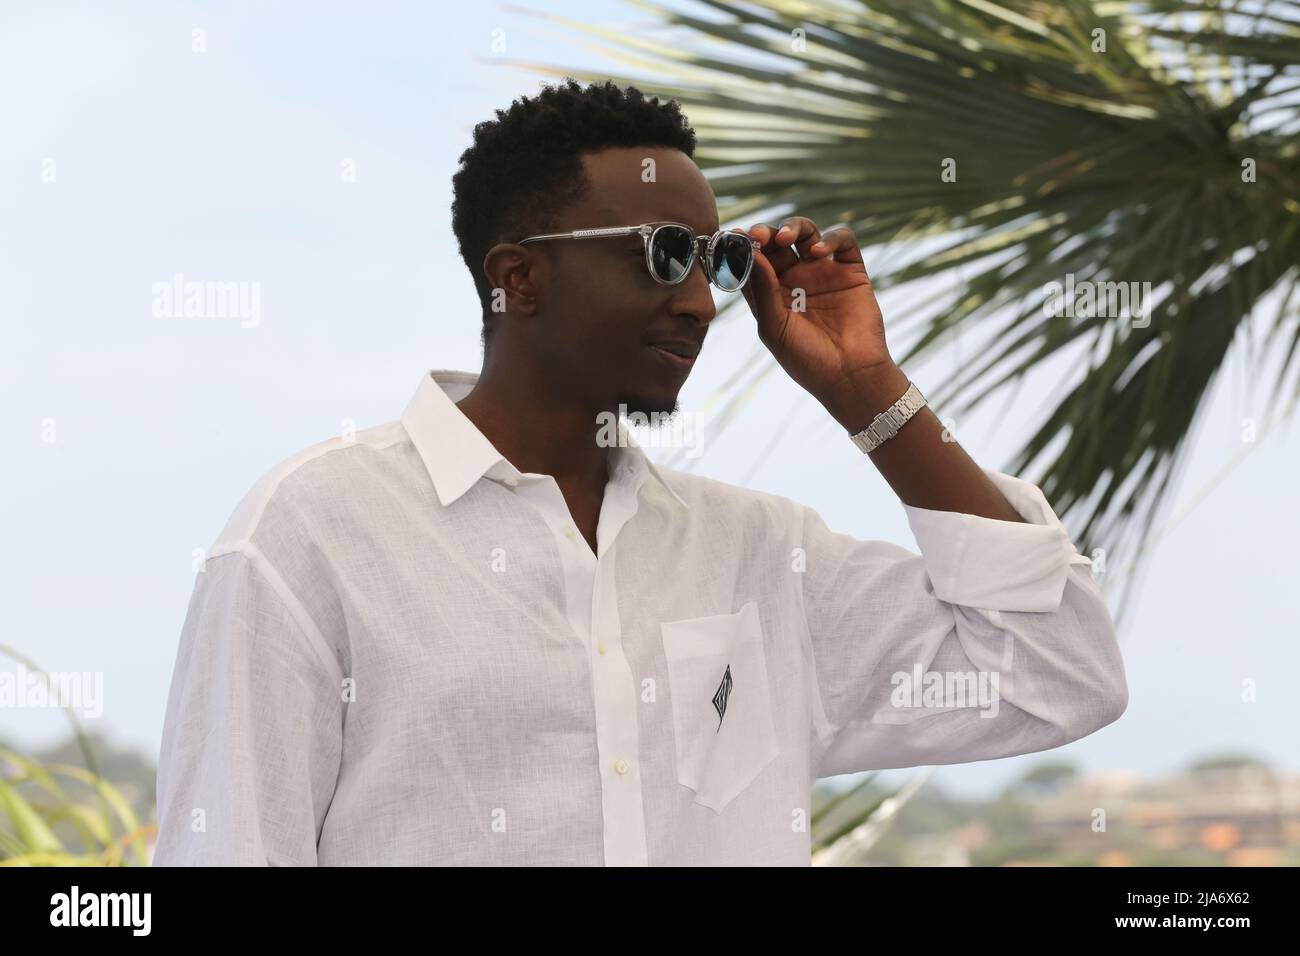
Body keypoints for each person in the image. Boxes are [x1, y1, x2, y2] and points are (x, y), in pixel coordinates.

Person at [154, 79, 1127, 866]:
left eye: (715, 259)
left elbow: (1057, 673)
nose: (701, 302)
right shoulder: (316, 529)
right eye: (664, 257)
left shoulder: (764, 553)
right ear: (519, 278)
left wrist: (868, 392)